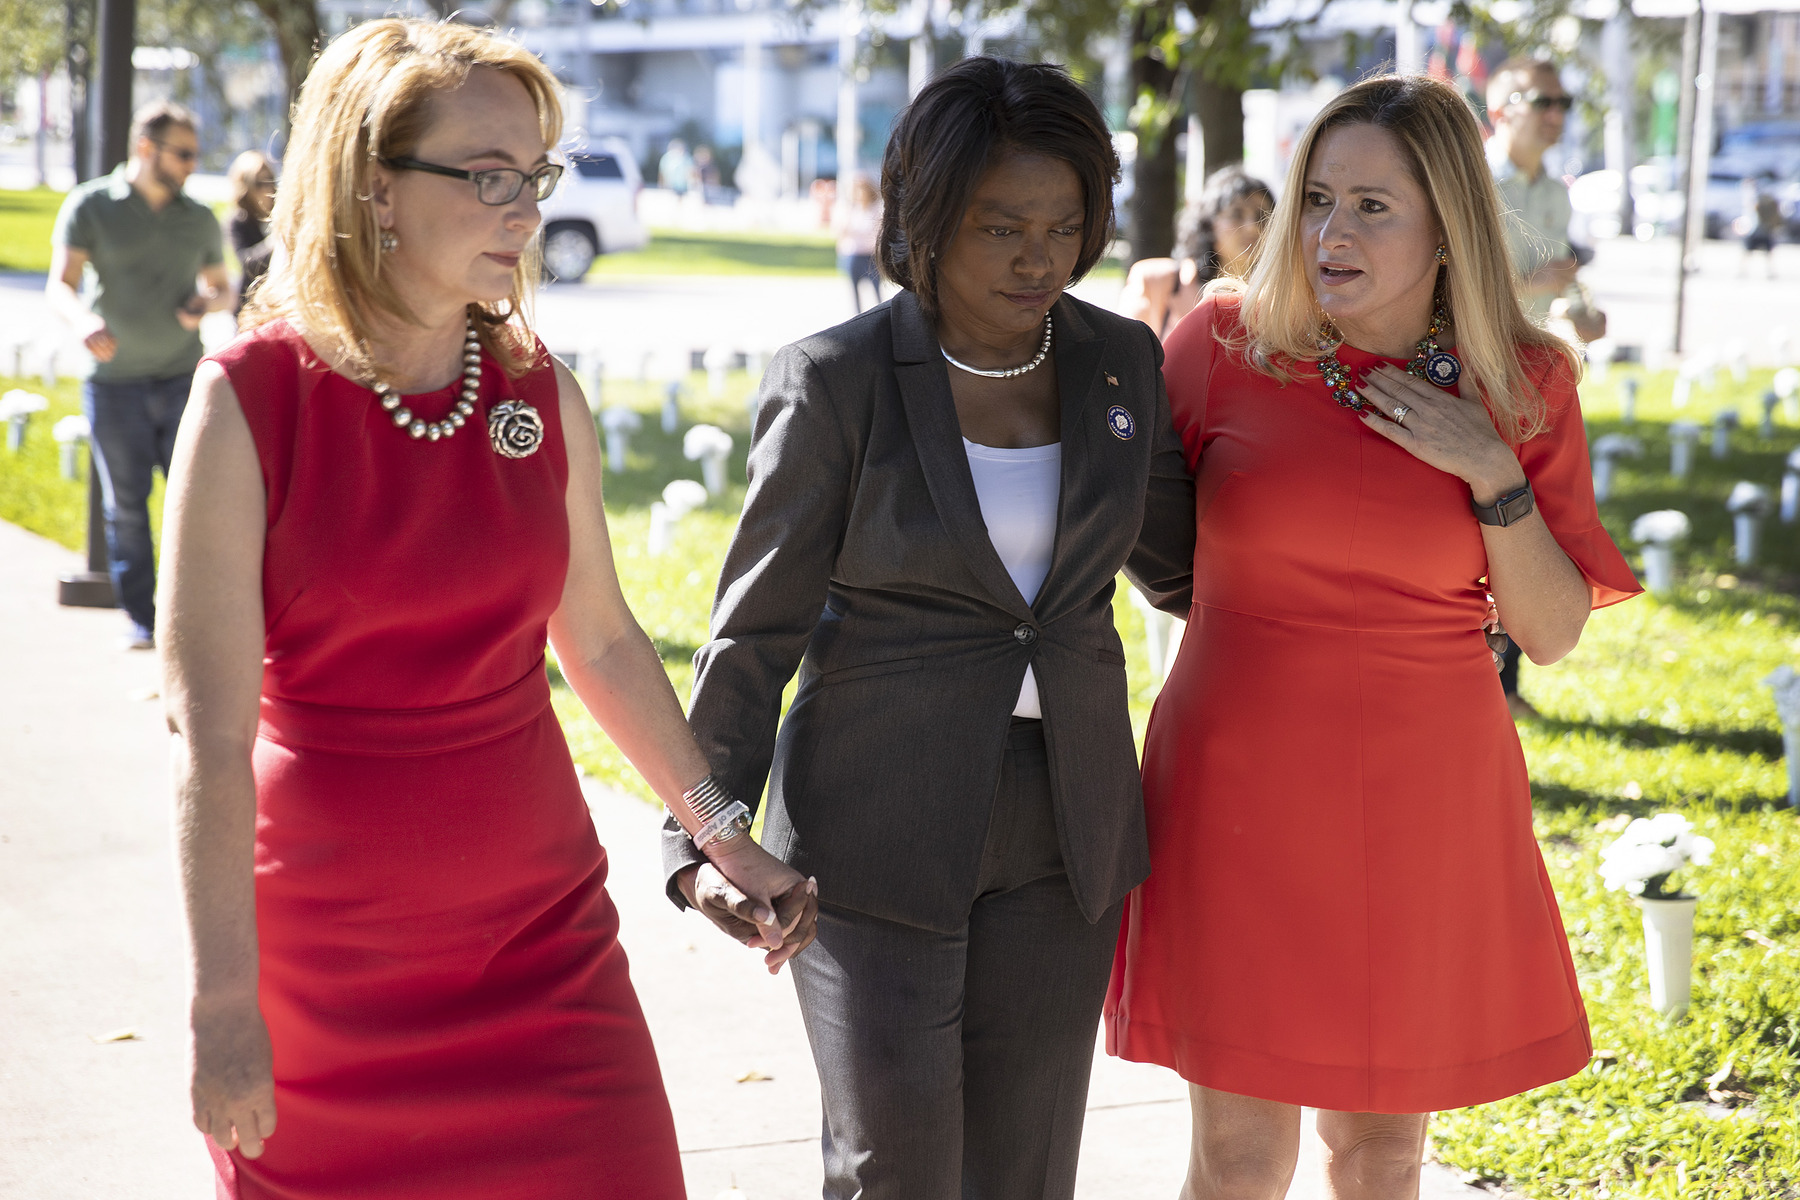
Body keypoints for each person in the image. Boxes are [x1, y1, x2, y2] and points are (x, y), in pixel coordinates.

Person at [158, 20, 816, 1200]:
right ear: (377, 189)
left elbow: (603, 640)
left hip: (540, 951)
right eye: (491, 176)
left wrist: (721, 833)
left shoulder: (533, 392)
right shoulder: (249, 401)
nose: (526, 208)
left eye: (537, 175)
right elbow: (204, 735)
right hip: (323, 983)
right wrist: (220, 1001)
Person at [661, 56, 1194, 1200]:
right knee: (893, 1173)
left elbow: (1190, 569)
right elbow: (755, 633)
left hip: (1067, 834)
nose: (1040, 257)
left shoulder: (1120, 361)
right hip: (872, 836)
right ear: (926, 218)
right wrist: (699, 839)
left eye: (1063, 224)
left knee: (1024, 1175)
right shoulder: (835, 382)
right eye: (1002, 226)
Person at [1105, 74, 1642, 1200]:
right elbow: (1127, 529)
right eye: (1317, 200)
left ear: (1447, 223)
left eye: (1372, 208)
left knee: (1384, 1153)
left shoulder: (1527, 380)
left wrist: (1491, 473)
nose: (1328, 234)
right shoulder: (1220, 345)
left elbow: (1547, 635)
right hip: (1235, 793)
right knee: (1240, 1158)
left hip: (1424, 803)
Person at [48, 100, 228, 650]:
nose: (193, 165)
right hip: (113, 386)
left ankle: (193, 614)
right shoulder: (91, 205)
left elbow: (224, 287)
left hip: (182, 381)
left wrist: (203, 301)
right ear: (146, 148)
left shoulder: (197, 217)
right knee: (126, 507)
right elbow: (62, 284)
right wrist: (82, 322)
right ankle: (144, 620)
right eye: (184, 154)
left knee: (193, 502)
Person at [1485, 57, 1597, 719]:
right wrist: (1539, 289)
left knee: (1534, 519)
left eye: (1564, 102)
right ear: (1503, 109)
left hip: (1534, 374)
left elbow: (1557, 281)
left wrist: (1580, 308)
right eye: (1544, 101)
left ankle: (1508, 679)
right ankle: (1490, 679)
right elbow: (1456, 284)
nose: (1556, 114)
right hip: (1475, 370)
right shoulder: (1474, 181)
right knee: (1493, 514)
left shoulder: (1555, 191)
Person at [1119, 166, 1274, 340]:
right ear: (1208, 223)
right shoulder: (1156, 281)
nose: (1252, 227)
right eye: (1236, 214)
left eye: (1262, 215)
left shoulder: (1280, 298)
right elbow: (1129, 355)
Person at [224, 151, 277, 317]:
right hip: (249, 307)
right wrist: (273, 242)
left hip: (275, 305)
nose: (267, 188)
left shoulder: (278, 215)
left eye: (270, 180)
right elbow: (246, 262)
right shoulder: (238, 220)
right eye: (259, 183)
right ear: (246, 186)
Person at [833, 172, 883, 312]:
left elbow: (878, 231)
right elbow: (841, 230)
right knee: (854, 289)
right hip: (853, 253)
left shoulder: (877, 209)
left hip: (870, 254)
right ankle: (857, 314)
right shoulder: (849, 209)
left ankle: (880, 313)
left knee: (876, 287)